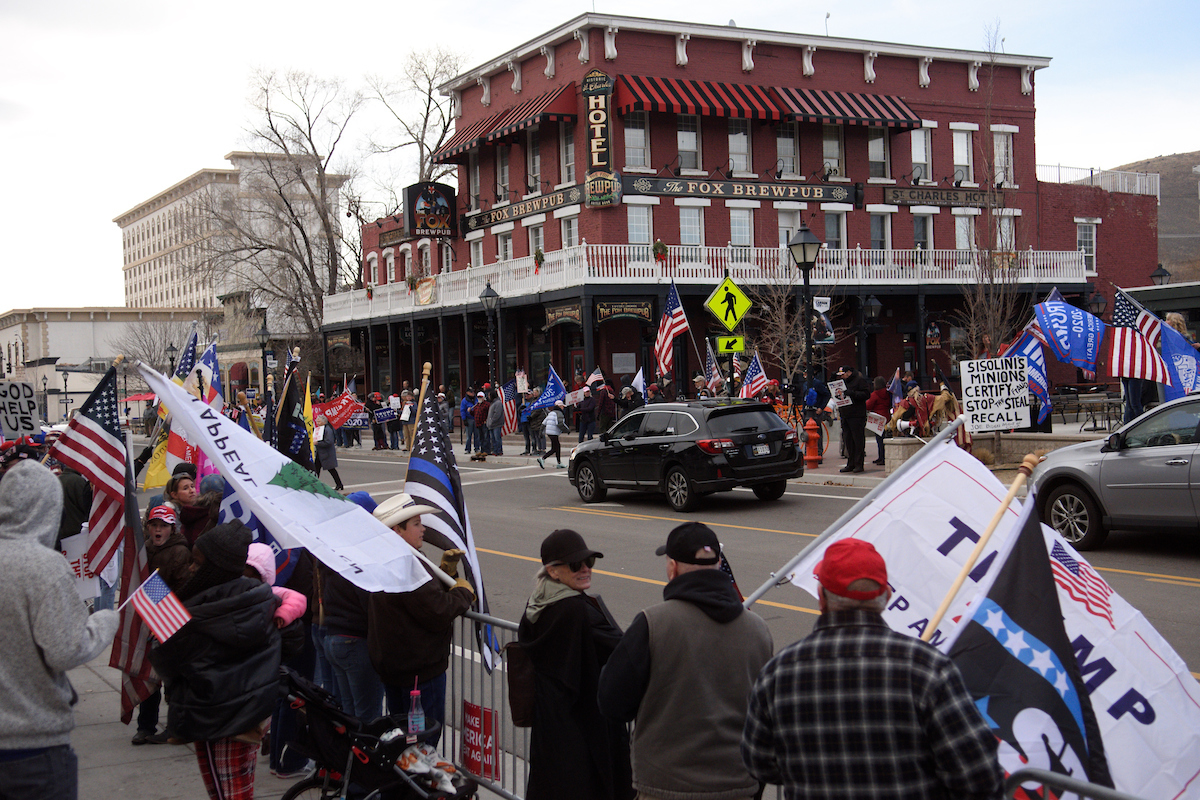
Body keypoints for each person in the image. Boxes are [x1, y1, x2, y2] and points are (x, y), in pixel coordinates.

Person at [741, 538, 1003, 800]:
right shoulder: (928, 668)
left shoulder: (779, 673)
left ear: (821, 598)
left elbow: (759, 762)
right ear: (887, 597)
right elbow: (978, 775)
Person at [598, 523, 772, 800]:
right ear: (717, 565)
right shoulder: (758, 630)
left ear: (672, 568)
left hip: (666, 785)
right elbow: (767, 717)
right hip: (738, 783)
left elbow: (612, 701)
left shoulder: (653, 624)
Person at [0, 460, 118, 798]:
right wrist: (103, 622)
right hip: (34, 746)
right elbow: (65, 648)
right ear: (48, 509)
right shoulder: (44, 567)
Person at [150, 521, 289, 800]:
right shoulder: (257, 599)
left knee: (225, 793)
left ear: (217, 568)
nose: (190, 569)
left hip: (217, 716)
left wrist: (159, 623)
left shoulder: (202, 614)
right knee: (235, 793)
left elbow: (166, 660)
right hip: (243, 717)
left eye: (197, 563)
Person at [517, 529, 632, 800]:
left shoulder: (537, 604)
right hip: (584, 726)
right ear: (553, 571)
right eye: (575, 564)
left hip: (550, 724)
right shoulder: (578, 610)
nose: (585, 569)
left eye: (588, 562)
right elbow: (625, 649)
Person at [368, 493, 474, 747]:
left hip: (397, 668)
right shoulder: (406, 563)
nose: (423, 528)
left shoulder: (388, 558)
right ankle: (416, 784)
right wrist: (462, 593)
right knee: (421, 740)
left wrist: (446, 573)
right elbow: (436, 611)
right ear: (397, 530)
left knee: (403, 737)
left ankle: (403, 782)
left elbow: (421, 598)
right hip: (419, 673)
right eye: (416, 523)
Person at [834, 365, 871, 474]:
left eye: (843, 374)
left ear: (849, 372)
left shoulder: (859, 380)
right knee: (848, 440)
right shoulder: (842, 382)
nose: (842, 376)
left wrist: (853, 393)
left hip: (857, 415)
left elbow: (866, 394)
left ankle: (859, 464)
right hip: (845, 414)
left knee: (857, 440)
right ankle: (850, 463)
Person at [865, 375, 892, 466]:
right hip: (887, 417)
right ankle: (885, 457)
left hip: (877, 418)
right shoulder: (889, 393)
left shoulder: (875, 394)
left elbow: (868, 406)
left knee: (879, 439)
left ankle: (881, 457)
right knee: (886, 438)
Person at [314, 414, 344, 492]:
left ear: (324, 422)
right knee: (316, 469)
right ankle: (314, 484)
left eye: (319, 421)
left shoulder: (327, 430)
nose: (317, 422)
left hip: (326, 453)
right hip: (320, 453)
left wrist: (318, 443)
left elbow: (329, 441)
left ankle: (339, 484)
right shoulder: (320, 429)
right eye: (317, 421)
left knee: (331, 469)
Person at [536, 400, 569, 469]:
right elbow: (560, 423)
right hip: (554, 433)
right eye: (562, 406)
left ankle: (559, 463)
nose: (563, 408)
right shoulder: (559, 413)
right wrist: (567, 430)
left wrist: (541, 432)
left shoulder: (551, 413)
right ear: (560, 406)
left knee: (557, 447)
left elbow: (543, 423)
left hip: (549, 432)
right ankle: (543, 458)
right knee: (555, 448)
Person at [471, 391, 491, 460]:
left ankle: (486, 450)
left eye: (480, 397)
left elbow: (489, 413)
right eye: (478, 397)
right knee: (481, 438)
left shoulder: (487, 404)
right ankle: (482, 450)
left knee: (486, 437)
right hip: (478, 424)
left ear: (483, 397)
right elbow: (474, 413)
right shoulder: (477, 405)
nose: (479, 398)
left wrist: (487, 420)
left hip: (484, 423)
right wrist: (470, 411)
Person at [485, 387, 505, 456]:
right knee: (492, 439)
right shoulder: (492, 403)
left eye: (489, 395)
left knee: (497, 438)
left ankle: (499, 451)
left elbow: (497, 414)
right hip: (491, 425)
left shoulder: (498, 403)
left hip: (497, 424)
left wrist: (492, 421)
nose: (488, 397)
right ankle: (494, 450)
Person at [460, 387, 476, 456]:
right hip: (469, 419)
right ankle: (467, 449)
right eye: (471, 392)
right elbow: (462, 410)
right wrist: (464, 419)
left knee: (477, 435)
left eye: (473, 392)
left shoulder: (476, 399)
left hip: (476, 419)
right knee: (468, 436)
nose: (472, 393)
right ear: (467, 393)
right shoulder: (464, 401)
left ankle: (477, 448)